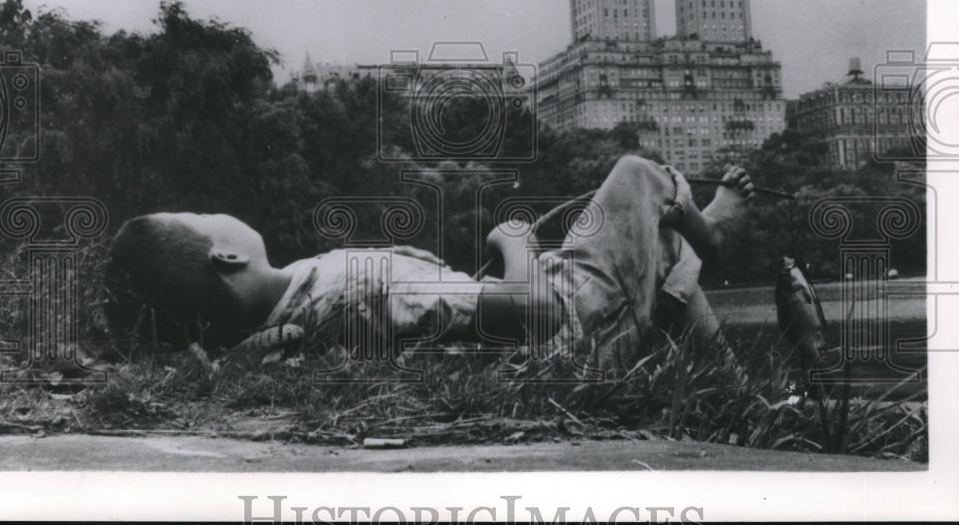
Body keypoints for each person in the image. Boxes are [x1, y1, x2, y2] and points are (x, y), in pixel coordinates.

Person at [105, 156, 754, 376]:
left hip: (548, 331)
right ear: (227, 254)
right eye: (200, 214)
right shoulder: (361, 286)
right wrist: (513, 247)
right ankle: (715, 229)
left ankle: (734, 387)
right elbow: (533, 313)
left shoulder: (270, 327)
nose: (214, 212)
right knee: (635, 176)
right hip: (571, 333)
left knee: (663, 257)